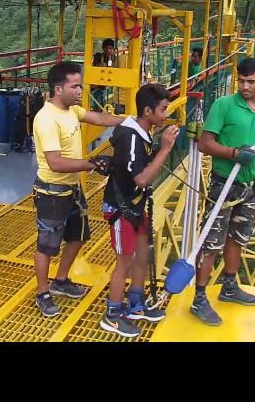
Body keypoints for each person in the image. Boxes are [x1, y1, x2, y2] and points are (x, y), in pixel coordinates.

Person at [32, 61, 124, 317]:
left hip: (72, 188)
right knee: (47, 245)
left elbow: (98, 117)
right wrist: (91, 163)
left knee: (78, 236)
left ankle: (60, 281)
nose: (80, 90)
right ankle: (42, 292)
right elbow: (55, 162)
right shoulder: (46, 119)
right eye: (75, 86)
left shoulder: (71, 110)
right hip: (52, 192)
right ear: (58, 89)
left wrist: (129, 121)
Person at [191, 57, 255, 326]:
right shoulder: (223, 105)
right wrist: (234, 154)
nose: (245, 86)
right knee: (211, 243)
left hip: (250, 189)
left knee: (238, 239)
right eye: (241, 81)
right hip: (224, 185)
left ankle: (229, 286)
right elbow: (205, 143)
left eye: (251, 81)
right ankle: (200, 299)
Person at [100, 84, 179, 337]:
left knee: (143, 253)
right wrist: (165, 149)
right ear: (147, 111)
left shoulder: (140, 132)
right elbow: (142, 179)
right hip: (122, 207)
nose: (166, 115)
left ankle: (135, 303)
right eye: (163, 109)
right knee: (124, 261)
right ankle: (112, 314)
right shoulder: (132, 138)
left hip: (134, 205)